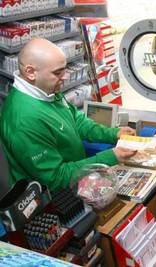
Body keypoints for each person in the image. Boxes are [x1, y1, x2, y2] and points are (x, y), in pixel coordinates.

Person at [0, 38, 137, 191]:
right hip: (56, 196)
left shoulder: (45, 89)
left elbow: (76, 120)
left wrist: (113, 133)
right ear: (31, 72)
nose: (64, 77)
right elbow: (55, 178)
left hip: (77, 177)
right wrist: (110, 157)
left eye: (64, 70)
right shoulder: (24, 121)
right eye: (57, 72)